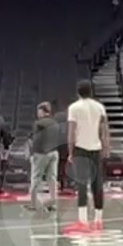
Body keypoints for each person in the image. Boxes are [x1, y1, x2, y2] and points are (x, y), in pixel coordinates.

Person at [68, 78, 109, 230]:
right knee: (97, 184)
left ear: (78, 92)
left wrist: (70, 151)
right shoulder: (100, 107)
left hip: (80, 148)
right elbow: (104, 130)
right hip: (96, 148)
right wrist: (105, 147)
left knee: (81, 183)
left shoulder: (74, 108)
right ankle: (98, 220)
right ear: (91, 91)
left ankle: (83, 220)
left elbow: (71, 132)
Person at [30, 100, 61, 213]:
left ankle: (35, 204)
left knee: (36, 178)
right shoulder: (55, 123)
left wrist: (32, 154)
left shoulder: (38, 123)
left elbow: (36, 140)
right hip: (54, 153)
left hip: (41, 153)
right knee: (52, 179)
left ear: (42, 111)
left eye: (38, 111)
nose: (37, 114)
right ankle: (53, 203)